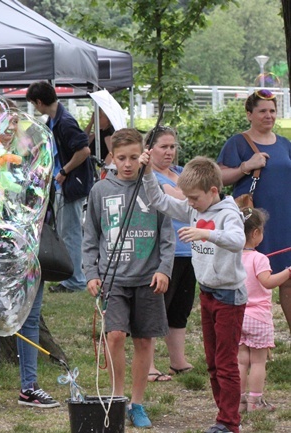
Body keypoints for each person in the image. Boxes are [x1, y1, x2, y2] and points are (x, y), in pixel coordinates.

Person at [140, 152, 247, 433]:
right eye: (187, 199)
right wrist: (149, 172)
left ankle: (229, 422)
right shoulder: (194, 209)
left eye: (194, 198)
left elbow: (238, 240)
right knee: (212, 363)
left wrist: (206, 234)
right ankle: (223, 417)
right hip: (208, 294)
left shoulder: (227, 212)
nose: (189, 204)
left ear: (213, 191)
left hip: (229, 298)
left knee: (226, 364)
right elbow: (161, 201)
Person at [0, 100, 60, 414]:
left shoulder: (24, 162)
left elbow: (40, 195)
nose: (9, 129)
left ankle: (29, 387)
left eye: (12, 123)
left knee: (29, 318)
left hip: (25, 247)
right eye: (2, 123)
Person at [83, 128, 174, 429]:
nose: (127, 164)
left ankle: (137, 402)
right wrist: (91, 273)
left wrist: (164, 269)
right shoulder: (100, 191)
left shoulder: (153, 187)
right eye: (121, 158)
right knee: (115, 336)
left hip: (148, 278)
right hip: (114, 279)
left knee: (145, 340)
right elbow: (90, 237)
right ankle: (117, 398)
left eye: (134, 157)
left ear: (143, 155)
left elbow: (167, 236)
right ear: (111, 157)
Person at [217, 89, 291, 335]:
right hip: (253, 221)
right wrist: (246, 166)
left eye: (272, 111)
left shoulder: (284, 144)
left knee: (288, 279)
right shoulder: (238, 142)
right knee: (252, 278)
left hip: (285, 220)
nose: (268, 116)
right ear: (249, 114)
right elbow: (219, 177)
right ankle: (250, 335)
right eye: (262, 111)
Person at [26, 81, 93, 293]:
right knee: (66, 232)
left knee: (71, 233)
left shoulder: (65, 122)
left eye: (34, 104)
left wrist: (64, 171)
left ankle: (75, 280)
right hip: (63, 185)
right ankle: (71, 277)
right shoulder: (54, 121)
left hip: (72, 185)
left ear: (39, 102)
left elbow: (84, 151)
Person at [144, 126, 196, 382]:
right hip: (165, 251)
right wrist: (193, 194)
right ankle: (149, 364)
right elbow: (182, 199)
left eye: (173, 146)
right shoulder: (149, 177)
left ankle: (178, 360)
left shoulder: (180, 172)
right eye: (163, 146)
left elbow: (204, 195)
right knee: (157, 307)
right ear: (149, 149)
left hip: (190, 249)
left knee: (180, 307)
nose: (169, 152)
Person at [238, 207, 289, 413]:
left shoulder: (232, 257)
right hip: (258, 318)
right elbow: (267, 282)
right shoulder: (260, 259)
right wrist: (288, 271)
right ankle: (255, 402)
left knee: (241, 361)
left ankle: (239, 401)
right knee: (258, 362)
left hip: (238, 315)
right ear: (256, 233)